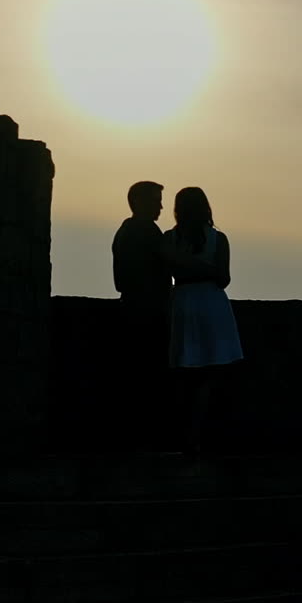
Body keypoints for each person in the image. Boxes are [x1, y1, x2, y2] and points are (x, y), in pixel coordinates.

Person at [163, 186, 243, 455]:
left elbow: (168, 271)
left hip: (183, 301)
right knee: (210, 371)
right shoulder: (218, 238)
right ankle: (197, 435)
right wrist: (206, 268)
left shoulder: (169, 239)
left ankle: (186, 435)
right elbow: (224, 278)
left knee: (185, 371)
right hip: (211, 303)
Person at [111, 181, 173, 447]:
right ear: (139, 202)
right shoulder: (147, 231)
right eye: (155, 200)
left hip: (132, 307)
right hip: (148, 311)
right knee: (148, 379)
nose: (160, 206)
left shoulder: (125, 231)